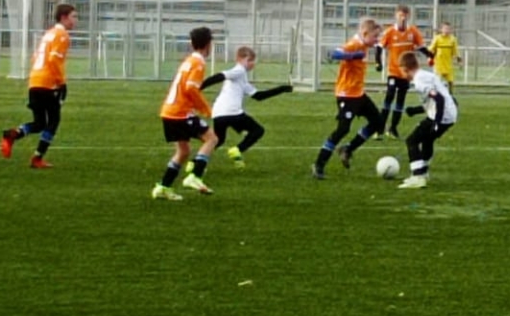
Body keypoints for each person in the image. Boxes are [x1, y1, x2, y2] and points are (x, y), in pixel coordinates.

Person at [193, 45, 292, 180]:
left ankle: (194, 163)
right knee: (257, 131)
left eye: (253, 60)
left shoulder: (242, 77)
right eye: (250, 60)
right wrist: (198, 87)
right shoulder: (239, 71)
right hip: (232, 112)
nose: (252, 63)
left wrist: (282, 89)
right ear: (240, 59)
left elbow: (258, 96)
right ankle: (237, 150)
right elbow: (219, 76)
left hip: (219, 112)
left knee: (217, 140)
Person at [1, 3, 76, 168]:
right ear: (63, 17)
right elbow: (54, 60)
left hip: (34, 80)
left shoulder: (48, 34)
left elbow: (35, 57)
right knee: (54, 120)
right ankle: (37, 158)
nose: (75, 20)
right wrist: (61, 83)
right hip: (47, 83)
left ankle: (12, 134)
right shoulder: (62, 35)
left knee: (40, 123)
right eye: (73, 16)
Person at [313, 16, 383, 178]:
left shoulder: (363, 45)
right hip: (346, 95)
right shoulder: (354, 44)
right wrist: (352, 55)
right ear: (365, 33)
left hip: (358, 93)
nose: (376, 40)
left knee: (378, 122)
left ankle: (348, 149)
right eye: (375, 36)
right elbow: (334, 54)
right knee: (342, 129)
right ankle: (319, 164)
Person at [154, 26, 215, 200]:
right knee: (211, 138)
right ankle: (195, 176)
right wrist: (205, 108)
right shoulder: (198, 63)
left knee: (183, 151)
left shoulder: (189, 60)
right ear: (208, 44)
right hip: (180, 113)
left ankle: (163, 187)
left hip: (169, 111)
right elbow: (190, 88)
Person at [394, 50, 458, 189]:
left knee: (412, 140)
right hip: (449, 114)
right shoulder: (425, 75)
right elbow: (435, 100)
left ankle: (418, 177)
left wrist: (436, 123)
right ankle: (423, 172)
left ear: (406, 68)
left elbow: (439, 99)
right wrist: (415, 110)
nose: (402, 74)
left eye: (402, 71)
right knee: (427, 140)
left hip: (442, 116)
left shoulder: (419, 81)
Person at [377, 6, 430, 138]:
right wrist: (378, 62)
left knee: (400, 99)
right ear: (396, 16)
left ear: (408, 16)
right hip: (393, 71)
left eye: (405, 15)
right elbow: (379, 47)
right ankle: (380, 127)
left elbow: (421, 47)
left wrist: (431, 55)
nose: (403, 18)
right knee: (389, 95)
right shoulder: (390, 31)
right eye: (400, 15)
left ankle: (393, 128)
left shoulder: (413, 31)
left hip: (406, 73)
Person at [430, 20, 460, 88]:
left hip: (448, 64)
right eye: (445, 28)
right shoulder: (437, 38)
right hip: (438, 64)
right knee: (437, 81)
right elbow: (431, 48)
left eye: (449, 29)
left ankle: (450, 93)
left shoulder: (453, 39)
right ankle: (436, 93)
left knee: (451, 82)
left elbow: (455, 50)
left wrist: (458, 57)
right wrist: (429, 56)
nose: (447, 30)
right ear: (441, 29)